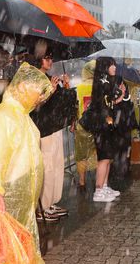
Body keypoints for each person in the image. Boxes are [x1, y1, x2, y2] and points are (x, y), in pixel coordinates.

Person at [0, 62, 53, 249]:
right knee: (7, 243)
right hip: (9, 194)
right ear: (22, 87)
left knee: (19, 242)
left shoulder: (22, 115)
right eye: (38, 92)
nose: (40, 98)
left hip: (22, 196)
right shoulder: (4, 116)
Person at [30, 52, 77, 221]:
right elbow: (34, 105)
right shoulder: (33, 78)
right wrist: (50, 90)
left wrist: (66, 86)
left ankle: (51, 202)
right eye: (46, 58)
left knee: (57, 165)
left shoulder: (50, 78)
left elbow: (60, 102)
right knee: (47, 167)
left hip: (55, 127)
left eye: (51, 58)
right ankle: (43, 206)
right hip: (43, 129)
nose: (50, 61)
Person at [89, 57, 134, 202]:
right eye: (111, 65)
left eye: (114, 65)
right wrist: (116, 94)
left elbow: (110, 103)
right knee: (103, 158)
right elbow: (102, 105)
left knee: (108, 157)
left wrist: (120, 97)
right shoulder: (102, 83)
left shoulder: (107, 82)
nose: (114, 67)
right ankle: (98, 191)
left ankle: (104, 186)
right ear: (104, 67)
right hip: (101, 126)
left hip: (107, 125)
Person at [75, 60, 97, 190]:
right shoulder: (100, 88)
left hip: (82, 125)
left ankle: (82, 181)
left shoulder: (79, 88)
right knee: (97, 152)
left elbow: (75, 106)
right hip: (97, 126)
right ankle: (99, 180)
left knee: (81, 155)